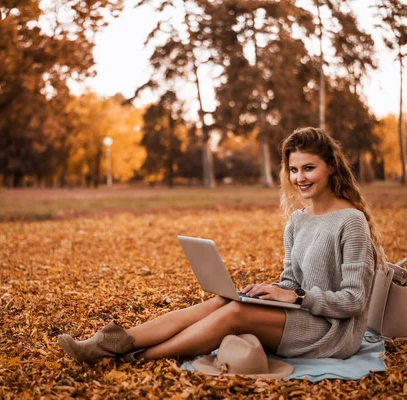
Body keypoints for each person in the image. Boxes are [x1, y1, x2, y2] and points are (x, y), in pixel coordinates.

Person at [57, 126, 384, 365]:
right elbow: (291, 281)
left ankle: (138, 357)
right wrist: (273, 291)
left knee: (237, 312)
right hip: (301, 313)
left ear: (330, 167)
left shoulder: (350, 221)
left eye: (309, 168)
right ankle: (109, 341)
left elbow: (354, 301)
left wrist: (296, 296)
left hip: (332, 332)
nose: (300, 178)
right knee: (222, 302)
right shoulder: (298, 220)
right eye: (294, 169)